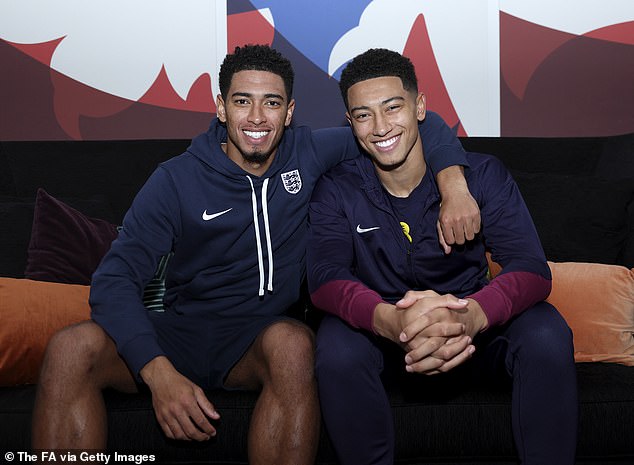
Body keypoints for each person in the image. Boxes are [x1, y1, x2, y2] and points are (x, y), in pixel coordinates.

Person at [31, 45, 480, 464]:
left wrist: (454, 187)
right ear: (222, 107)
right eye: (242, 101)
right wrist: (158, 373)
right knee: (70, 347)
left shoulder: (309, 152)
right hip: (182, 331)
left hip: (259, 337)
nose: (257, 116)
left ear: (289, 113)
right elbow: (113, 281)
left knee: (294, 344)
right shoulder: (175, 179)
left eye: (271, 102)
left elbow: (424, 124)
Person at [307, 48, 578, 465]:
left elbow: (531, 268)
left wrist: (472, 314)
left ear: (419, 107)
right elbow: (324, 277)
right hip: (386, 337)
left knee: (546, 331)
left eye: (392, 107)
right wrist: (389, 318)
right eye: (363, 115)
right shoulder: (337, 187)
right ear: (350, 122)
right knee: (336, 344)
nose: (380, 127)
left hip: (475, 332)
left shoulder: (482, 175)